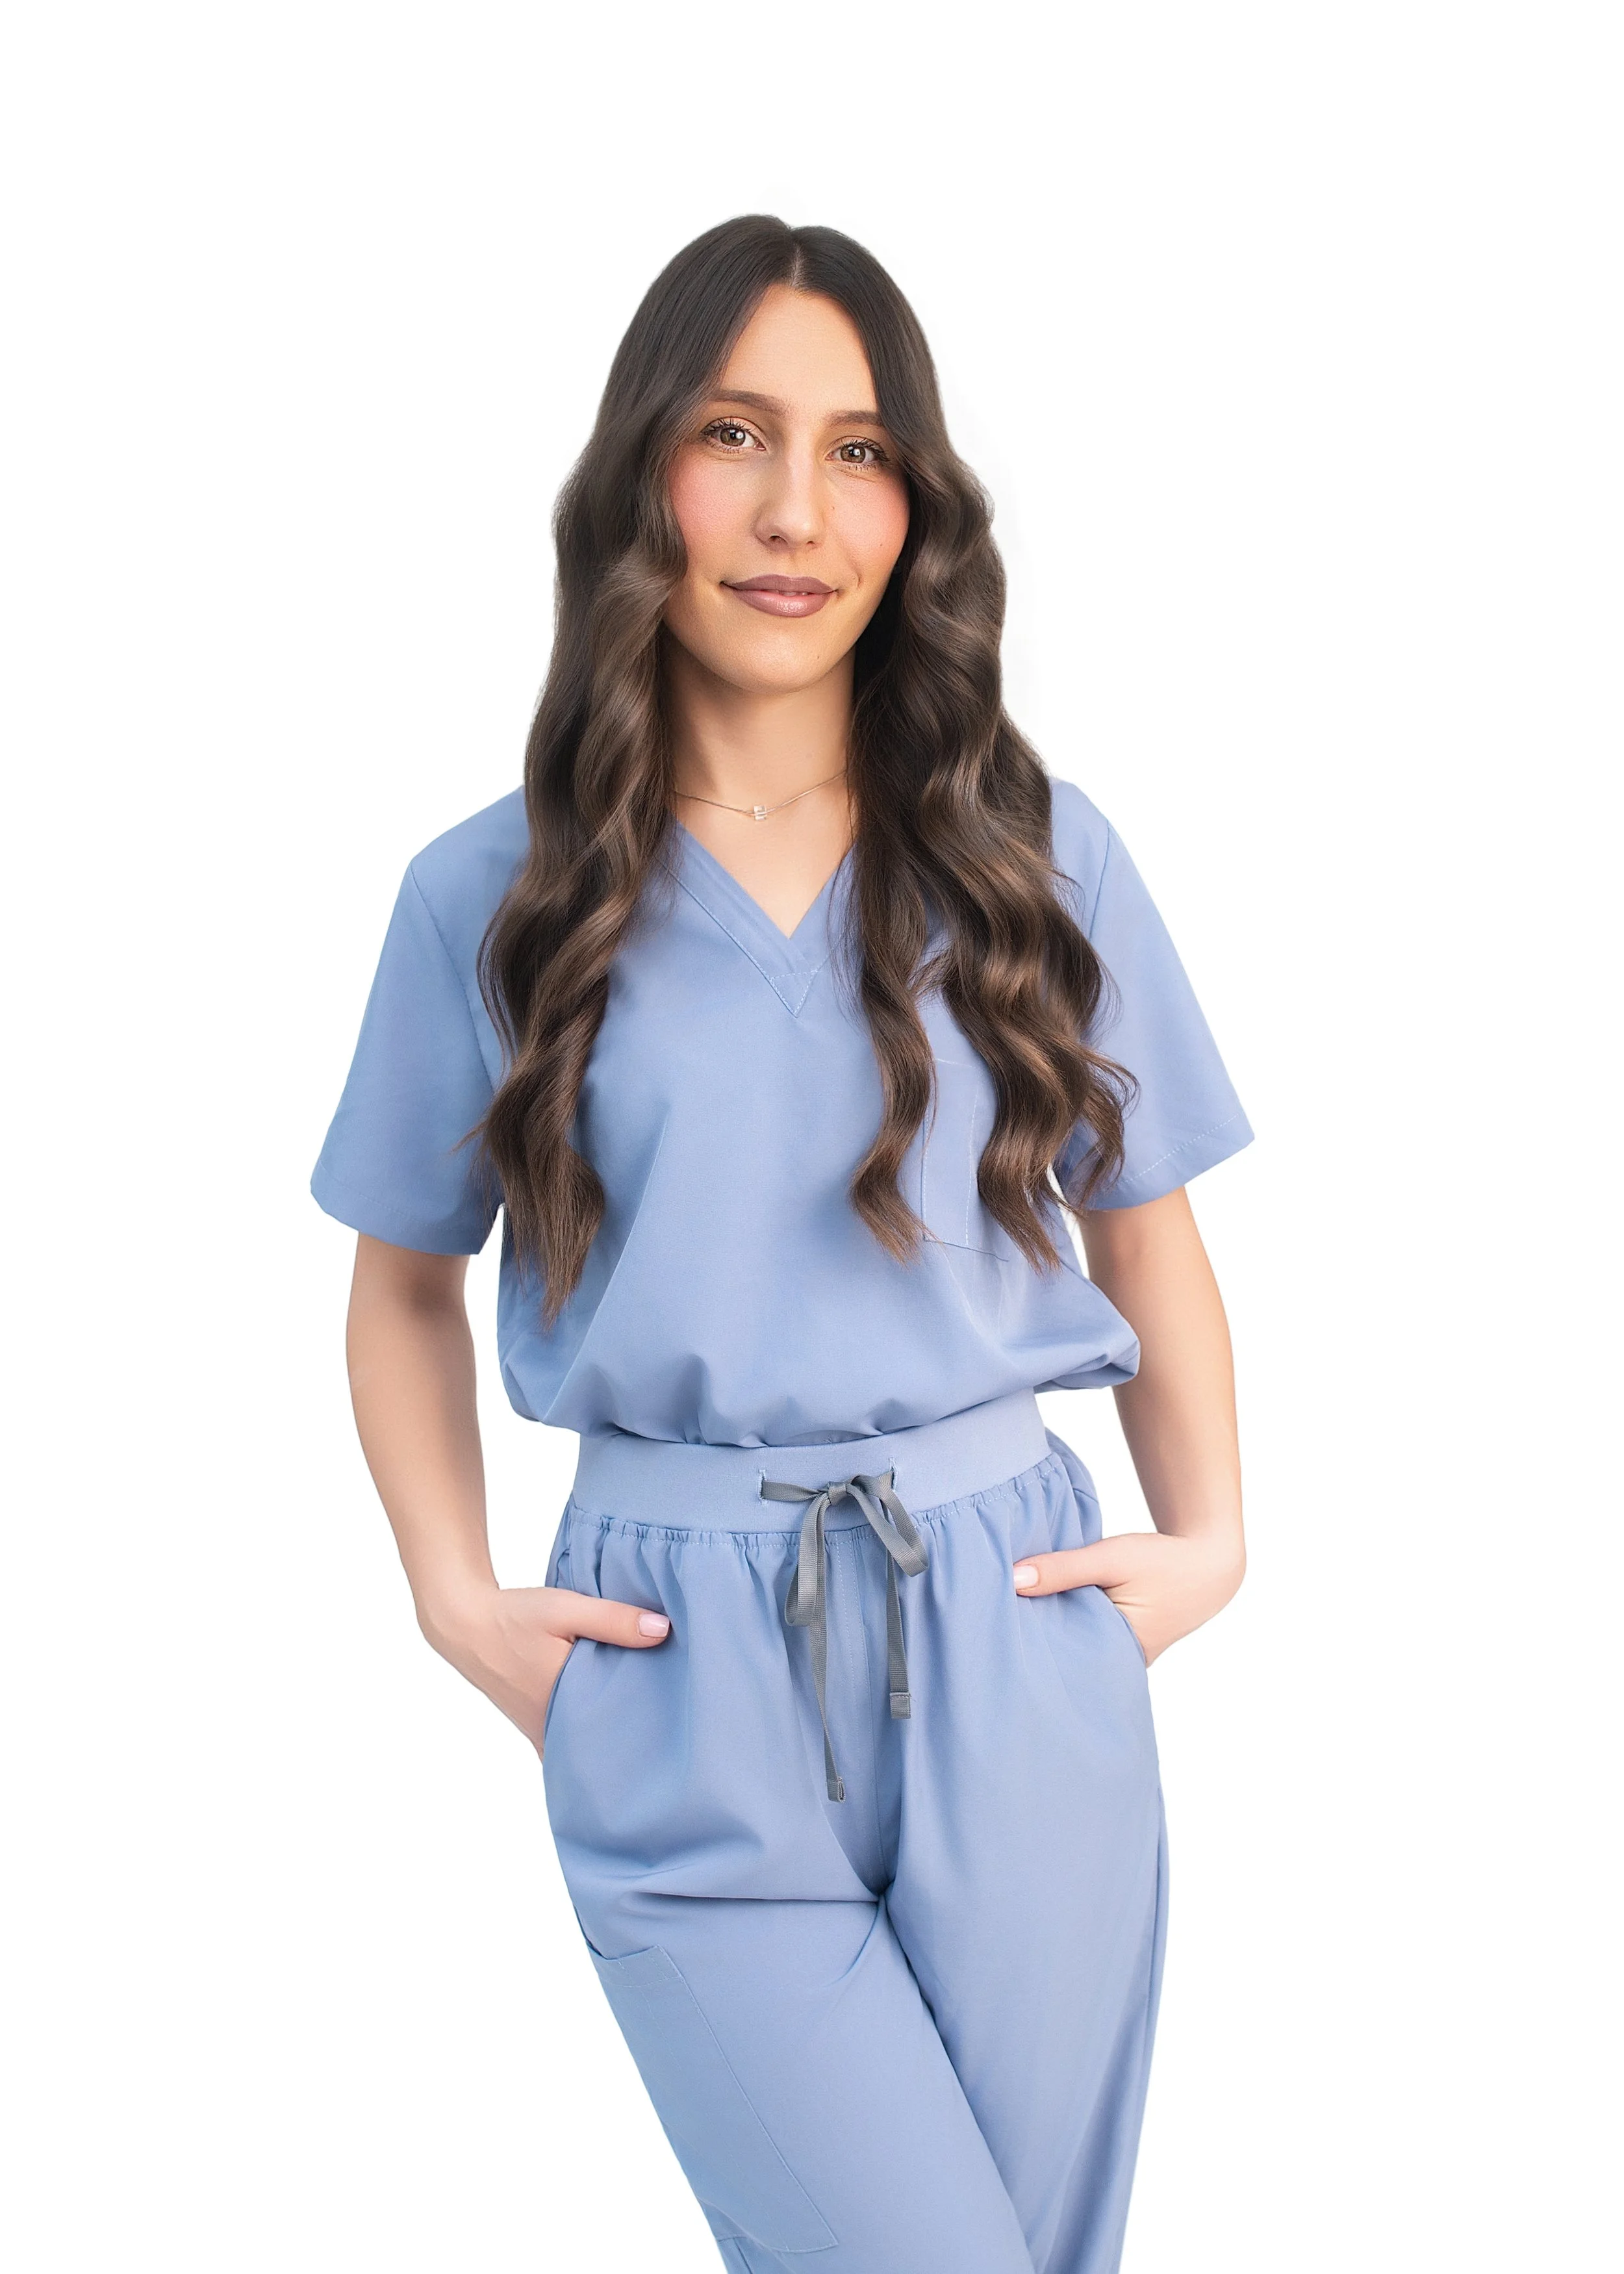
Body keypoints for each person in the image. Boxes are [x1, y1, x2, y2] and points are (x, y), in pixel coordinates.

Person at [312, 214, 1252, 2274]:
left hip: (1013, 1617)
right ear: (644, 469)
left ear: (914, 509)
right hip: (675, 1659)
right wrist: (456, 1601)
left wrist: (1209, 1538)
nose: (792, 510)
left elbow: (1146, 1215)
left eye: (855, 449)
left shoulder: (1034, 850)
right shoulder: (489, 894)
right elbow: (399, 1277)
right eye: (734, 433)